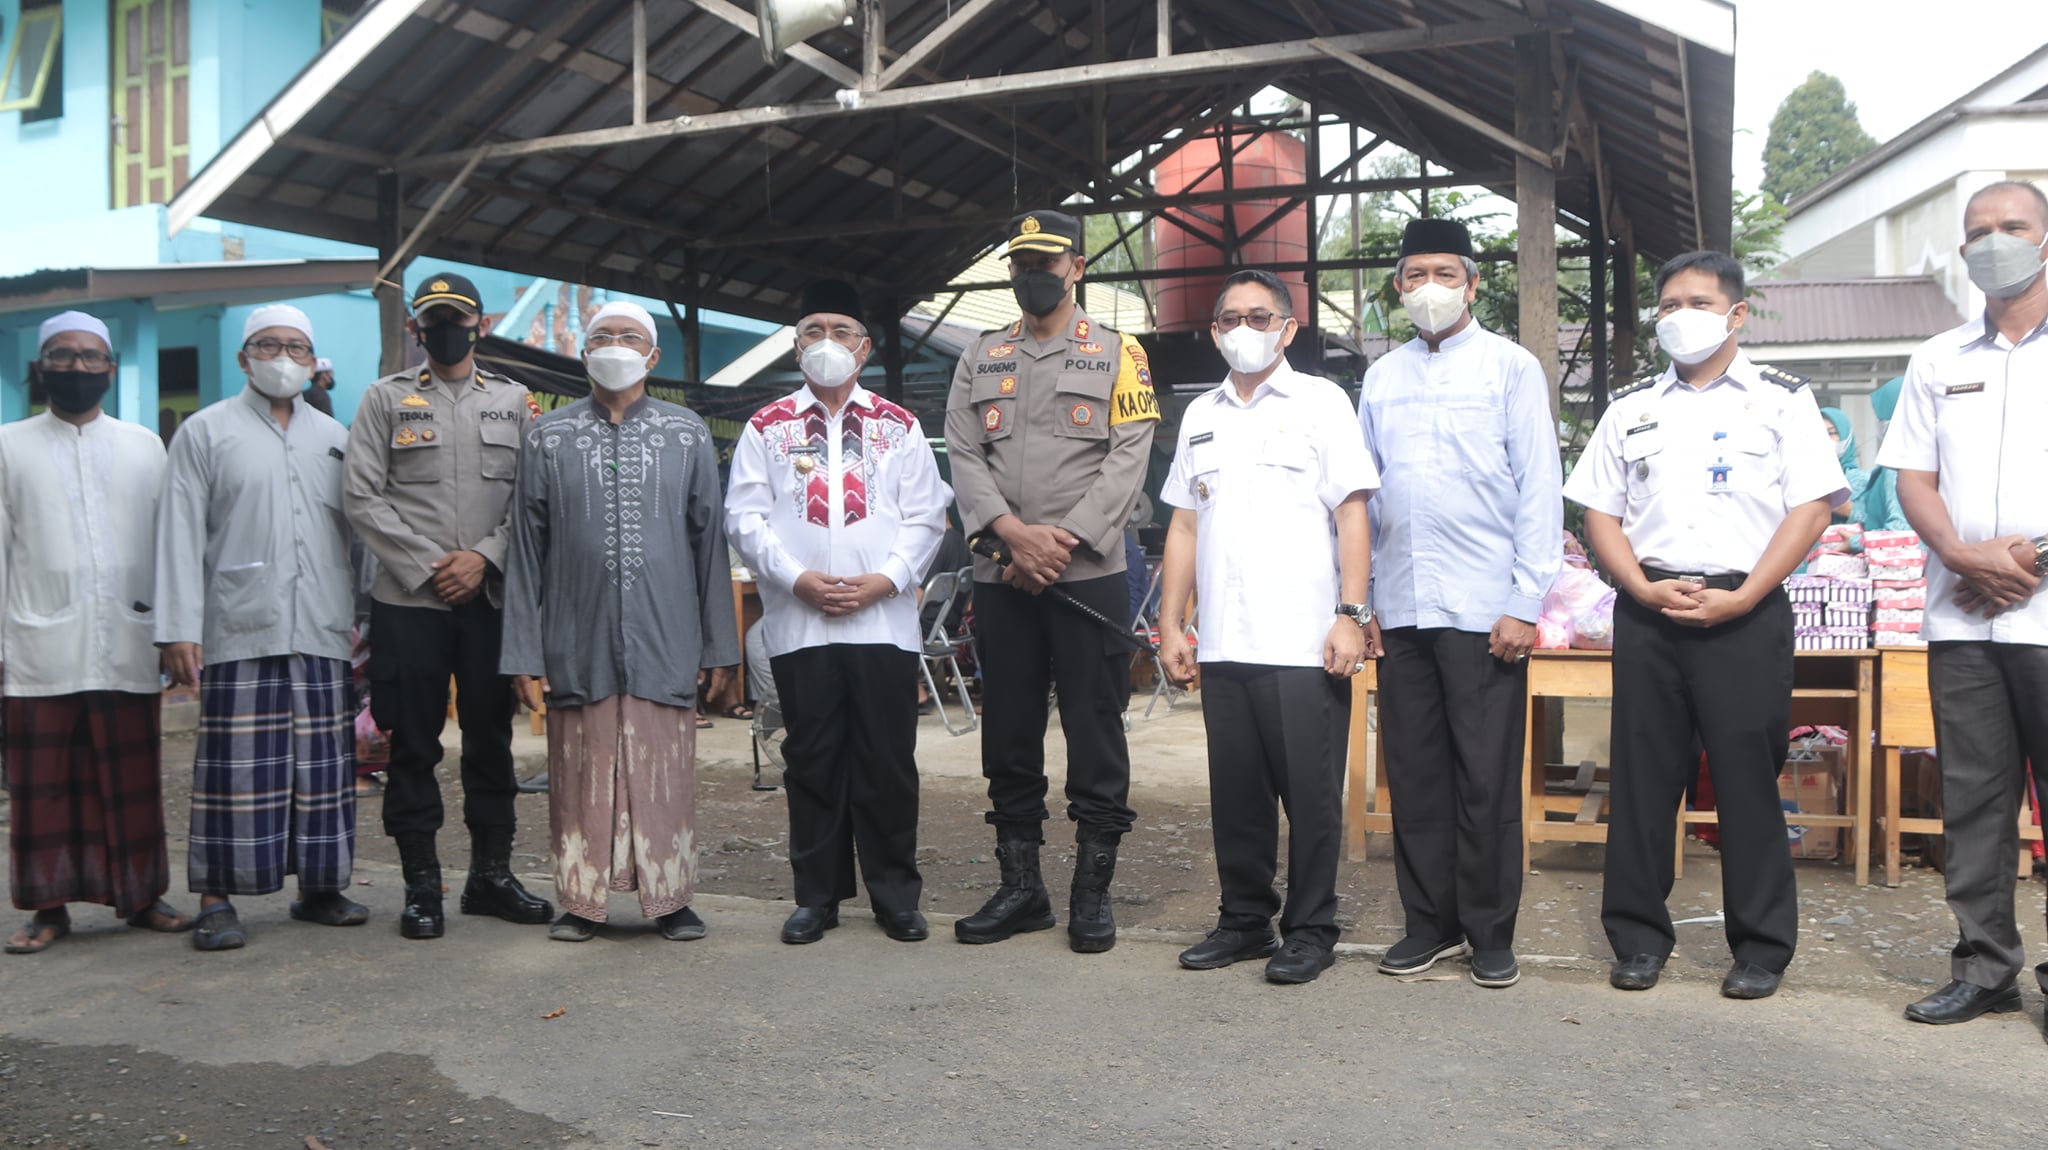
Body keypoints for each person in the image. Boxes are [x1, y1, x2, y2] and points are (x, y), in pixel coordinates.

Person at [1563, 251, 1844, 999]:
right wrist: (1639, 587)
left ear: (1736, 314)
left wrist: (1745, 596)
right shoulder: (1630, 407)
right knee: (1643, 779)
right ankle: (1637, 939)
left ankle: (1760, 948)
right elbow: (1599, 513)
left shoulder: (1781, 400)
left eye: (1698, 302)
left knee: (1747, 782)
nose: (1680, 315)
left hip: (1743, 612)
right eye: (1668, 304)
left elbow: (1812, 508)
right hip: (1649, 608)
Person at [942, 210, 1160, 952]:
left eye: (1047, 261)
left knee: (1095, 728)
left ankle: (1090, 894)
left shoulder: (1120, 352)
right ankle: (1021, 888)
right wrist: (1012, 536)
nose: (1033, 274)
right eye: (1022, 263)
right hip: (1002, 571)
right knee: (1008, 729)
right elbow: (964, 454)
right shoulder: (980, 355)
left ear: (1077, 267)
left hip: (1087, 571)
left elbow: (1129, 457)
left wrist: (1057, 544)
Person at [1357, 219, 1564, 989]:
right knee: (1413, 774)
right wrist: (1362, 602)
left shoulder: (1510, 368)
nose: (1430, 288)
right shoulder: (1382, 378)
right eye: (1415, 275)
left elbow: (1538, 487)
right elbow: (1365, 497)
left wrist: (1525, 600)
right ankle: (1429, 925)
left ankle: (1489, 931)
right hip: (1403, 605)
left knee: (1484, 776)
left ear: (1474, 284)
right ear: (1399, 287)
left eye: (1445, 273)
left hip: (1484, 609)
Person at [1157, 270, 1376, 984]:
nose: (1242, 329)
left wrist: (1351, 615)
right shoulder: (1201, 414)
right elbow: (1185, 524)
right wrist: (1171, 624)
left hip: (1304, 641)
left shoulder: (1321, 402)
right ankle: (1244, 920)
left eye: (1258, 317)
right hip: (1226, 641)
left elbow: (1352, 514)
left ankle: (1310, 929)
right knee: (1238, 797)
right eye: (1229, 319)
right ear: (1213, 331)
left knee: (1311, 798)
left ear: (1287, 329)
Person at [500, 300, 740, 943]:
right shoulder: (547, 437)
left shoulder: (685, 433)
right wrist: (522, 652)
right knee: (580, 771)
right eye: (601, 336)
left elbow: (709, 544)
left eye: (629, 337)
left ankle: (671, 899)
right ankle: (582, 902)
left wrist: (720, 645)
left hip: (666, 635)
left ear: (652, 355)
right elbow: (525, 551)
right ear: (584, 354)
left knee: (665, 771)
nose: (614, 345)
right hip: (576, 637)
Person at [727, 279, 952, 945]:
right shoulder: (767, 426)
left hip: (883, 623)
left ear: (865, 347)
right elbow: (744, 517)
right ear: (797, 346)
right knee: (813, 759)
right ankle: (816, 897)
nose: (828, 342)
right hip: (801, 624)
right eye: (814, 331)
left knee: (887, 760)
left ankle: (895, 895)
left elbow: (928, 515)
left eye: (841, 330)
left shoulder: (897, 425)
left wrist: (887, 580)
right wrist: (796, 579)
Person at [1879, 180, 2048, 1027]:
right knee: (1975, 802)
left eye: (2012, 226)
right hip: (1963, 618)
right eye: (1978, 231)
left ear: (2046, 238)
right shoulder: (1939, 358)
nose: (1994, 241)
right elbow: (1913, 477)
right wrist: (1956, 554)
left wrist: (2031, 559)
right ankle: (1985, 968)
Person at [343, 271, 553, 941]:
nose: (445, 330)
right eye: (432, 320)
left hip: (489, 598)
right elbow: (361, 496)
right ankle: (421, 887)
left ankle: (490, 877)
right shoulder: (384, 399)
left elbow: (531, 500)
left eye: (456, 319)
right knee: (412, 744)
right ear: (416, 328)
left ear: (480, 325)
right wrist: (431, 567)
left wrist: (483, 558)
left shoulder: (515, 402)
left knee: (491, 740)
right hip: (410, 602)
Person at [157, 304, 367, 951]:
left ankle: (321, 887)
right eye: (269, 346)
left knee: (323, 768)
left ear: (312, 361)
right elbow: (178, 532)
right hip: (239, 624)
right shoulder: (206, 431)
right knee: (236, 770)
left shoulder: (334, 436)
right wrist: (178, 627)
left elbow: (359, 534)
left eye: (296, 348)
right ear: (243, 357)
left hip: (322, 627)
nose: (283, 358)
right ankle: (216, 898)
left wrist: (365, 617)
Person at [1, 311, 191, 955]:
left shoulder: (144, 446)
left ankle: (142, 897)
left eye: (90, 357)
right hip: (37, 644)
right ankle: (47, 908)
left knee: (131, 782)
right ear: (41, 367)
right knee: (43, 788)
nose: (76, 367)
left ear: (110, 368)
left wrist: (174, 629)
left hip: (128, 639)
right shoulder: (9, 445)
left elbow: (169, 546)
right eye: (62, 355)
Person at [1856, 378, 1911, 532]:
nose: (1878, 423)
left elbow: (1901, 528)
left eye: (1881, 417)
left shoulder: (1897, 465)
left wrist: (1856, 541)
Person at [1818, 407, 1868, 522]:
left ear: (1846, 436)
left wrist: (1849, 510)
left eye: (1831, 433)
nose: (1824, 439)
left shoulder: (1865, 482)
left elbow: (1879, 523)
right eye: (1818, 433)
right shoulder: (1801, 481)